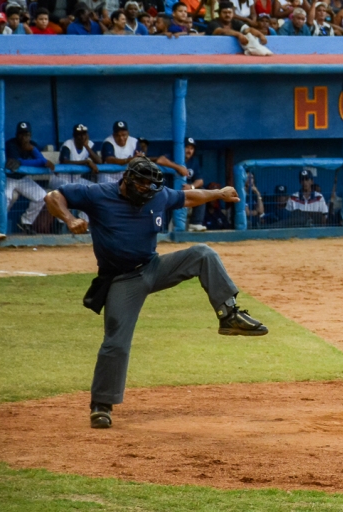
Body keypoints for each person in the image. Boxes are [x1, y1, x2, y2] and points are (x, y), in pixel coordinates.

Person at [44, 158, 269, 429]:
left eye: (151, 184)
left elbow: (188, 197)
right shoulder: (98, 193)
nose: (147, 188)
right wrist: (69, 219)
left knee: (203, 254)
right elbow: (53, 196)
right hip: (123, 279)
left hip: (154, 267)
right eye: (142, 183)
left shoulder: (157, 195)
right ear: (127, 179)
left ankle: (229, 315)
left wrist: (218, 193)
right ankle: (101, 404)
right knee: (116, 341)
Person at [5, 122, 52, 235]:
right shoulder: (11, 144)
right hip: (8, 178)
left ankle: (25, 223)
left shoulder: (32, 145)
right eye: (21, 134)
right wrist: (37, 162)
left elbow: (43, 162)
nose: (24, 138)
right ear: (17, 135)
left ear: (30, 135)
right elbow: (15, 164)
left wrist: (32, 149)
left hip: (22, 179)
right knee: (6, 198)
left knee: (42, 196)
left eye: (26, 135)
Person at [50, 124, 102, 190]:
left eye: (84, 134)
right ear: (74, 136)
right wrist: (86, 162)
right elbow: (64, 162)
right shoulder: (68, 144)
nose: (82, 137)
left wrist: (87, 146)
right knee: (70, 188)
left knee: (94, 188)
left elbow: (99, 161)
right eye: (79, 135)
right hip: (59, 178)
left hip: (76, 180)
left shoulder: (89, 144)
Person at [179, 137, 207, 232]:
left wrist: (191, 187)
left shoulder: (194, 161)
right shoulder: (175, 157)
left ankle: (195, 223)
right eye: (187, 147)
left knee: (202, 191)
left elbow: (200, 180)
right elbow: (161, 160)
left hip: (186, 190)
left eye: (191, 148)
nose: (189, 150)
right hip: (173, 189)